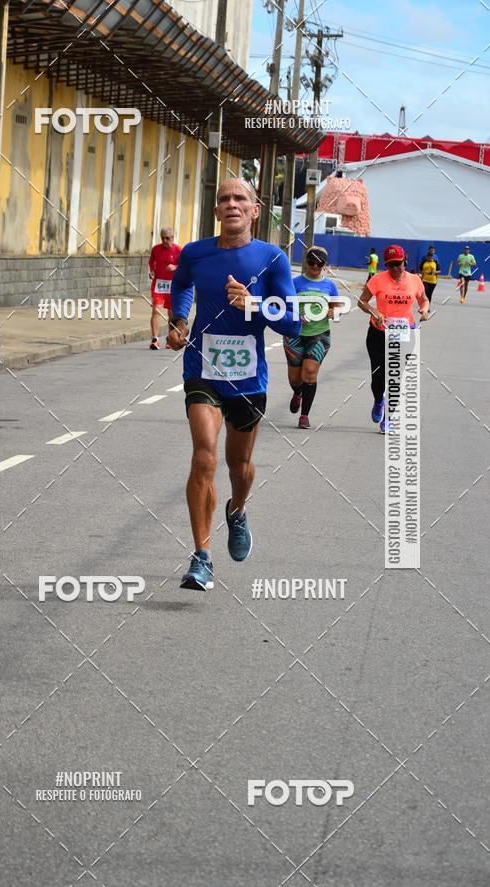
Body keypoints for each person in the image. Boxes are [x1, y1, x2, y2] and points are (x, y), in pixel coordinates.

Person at [167, 178, 301, 591]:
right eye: (224, 199)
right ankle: (201, 557)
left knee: (238, 467)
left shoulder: (272, 258)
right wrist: (179, 321)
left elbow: (293, 322)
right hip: (202, 369)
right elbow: (181, 286)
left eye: (240, 198)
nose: (231, 204)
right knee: (204, 457)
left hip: (248, 377)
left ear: (255, 210)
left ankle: (237, 510)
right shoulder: (195, 253)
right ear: (216, 210)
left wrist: (254, 303)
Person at [357, 244, 428, 433]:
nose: (395, 269)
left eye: (398, 264)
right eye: (391, 265)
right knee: (378, 378)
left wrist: (424, 309)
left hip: (404, 333)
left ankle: (388, 419)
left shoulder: (414, 280)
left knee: (395, 377)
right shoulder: (378, 280)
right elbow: (361, 301)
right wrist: (374, 311)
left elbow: (424, 299)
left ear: (405, 261)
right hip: (378, 333)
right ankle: (379, 400)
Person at [284, 246, 340, 429]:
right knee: (295, 378)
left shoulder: (330, 286)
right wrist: (294, 315)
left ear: (325, 265)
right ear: (306, 262)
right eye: (311, 262)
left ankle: (304, 415)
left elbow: (338, 308)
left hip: (320, 334)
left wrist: (334, 312)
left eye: (320, 263)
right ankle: (298, 392)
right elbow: (283, 306)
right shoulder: (294, 283)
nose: (315, 266)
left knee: (309, 372)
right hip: (295, 334)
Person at [148, 228, 181, 349]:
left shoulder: (178, 250)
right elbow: (152, 261)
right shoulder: (156, 249)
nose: (165, 241)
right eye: (163, 238)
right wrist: (151, 271)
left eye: (167, 238)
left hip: (172, 285)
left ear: (173, 237)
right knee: (156, 310)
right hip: (159, 285)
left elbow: (183, 266)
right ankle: (155, 339)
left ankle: (170, 338)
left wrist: (175, 267)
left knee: (171, 313)